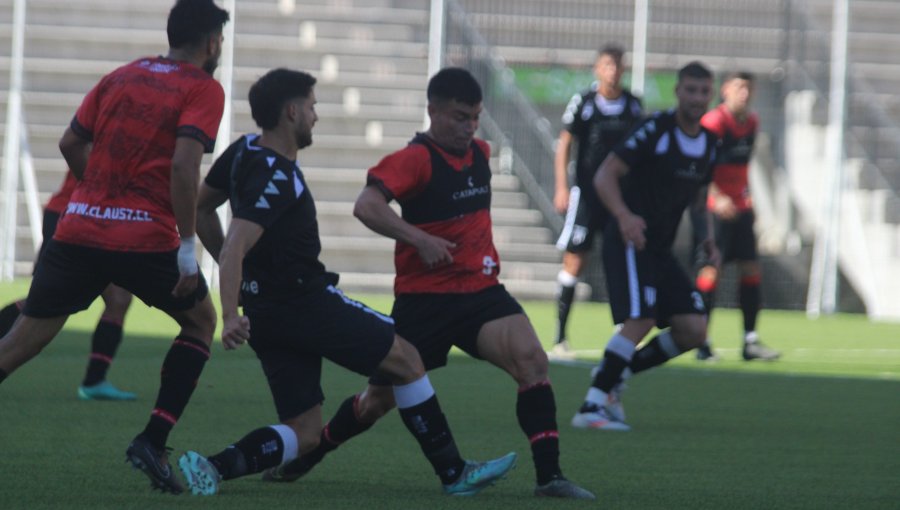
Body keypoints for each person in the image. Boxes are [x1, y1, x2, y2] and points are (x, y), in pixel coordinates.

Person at [261, 67, 595, 500]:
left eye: (475, 117)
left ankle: (549, 477)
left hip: (480, 294)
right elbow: (366, 206)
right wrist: (419, 238)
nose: (469, 126)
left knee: (532, 361)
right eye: (459, 117)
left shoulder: (481, 153)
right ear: (432, 111)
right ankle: (308, 454)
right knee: (375, 403)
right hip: (425, 304)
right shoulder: (414, 159)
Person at [181, 68, 516, 497]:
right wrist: (228, 312)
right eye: (313, 107)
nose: (317, 116)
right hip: (305, 303)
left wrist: (242, 283)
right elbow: (235, 247)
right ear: (292, 112)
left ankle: (212, 467)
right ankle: (454, 473)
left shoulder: (243, 150)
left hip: (268, 314)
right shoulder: (278, 177)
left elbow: (201, 207)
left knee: (304, 433)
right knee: (408, 360)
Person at [0, 0, 229, 494]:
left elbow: (69, 143)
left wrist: (100, 195)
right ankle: (152, 439)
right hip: (144, 239)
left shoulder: (120, 76)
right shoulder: (203, 88)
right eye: (221, 43)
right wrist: (188, 247)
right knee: (201, 323)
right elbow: (185, 166)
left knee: (20, 342)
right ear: (212, 42)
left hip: (78, 228)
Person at [571, 61, 720, 431]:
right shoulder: (656, 129)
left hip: (659, 249)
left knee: (693, 330)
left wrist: (708, 238)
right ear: (678, 91)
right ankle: (591, 408)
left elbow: (700, 200)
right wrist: (624, 215)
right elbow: (606, 174)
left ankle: (613, 376)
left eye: (704, 91)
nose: (697, 98)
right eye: (691, 90)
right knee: (641, 319)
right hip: (627, 238)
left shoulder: (711, 145)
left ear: (711, 95)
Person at [0, 170, 136, 401]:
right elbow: (72, 146)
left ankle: (95, 380)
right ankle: (94, 380)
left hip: (88, 218)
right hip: (75, 217)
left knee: (116, 298)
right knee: (48, 302)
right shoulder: (108, 135)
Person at [550, 44, 643, 359]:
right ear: (597, 69)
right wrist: (562, 186)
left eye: (618, 66)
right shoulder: (584, 103)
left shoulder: (633, 106)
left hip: (621, 197)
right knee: (575, 260)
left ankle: (623, 332)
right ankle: (560, 336)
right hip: (587, 197)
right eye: (607, 65)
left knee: (620, 262)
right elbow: (565, 144)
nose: (613, 71)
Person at [691, 71, 780, 362]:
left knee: (751, 269)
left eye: (749, 88)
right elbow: (700, 167)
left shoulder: (752, 122)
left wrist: (747, 197)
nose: (745, 93)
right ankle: (701, 342)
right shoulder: (714, 123)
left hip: (740, 208)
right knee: (710, 271)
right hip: (714, 209)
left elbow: (742, 168)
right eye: (739, 87)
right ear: (725, 90)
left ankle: (750, 341)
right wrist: (716, 196)